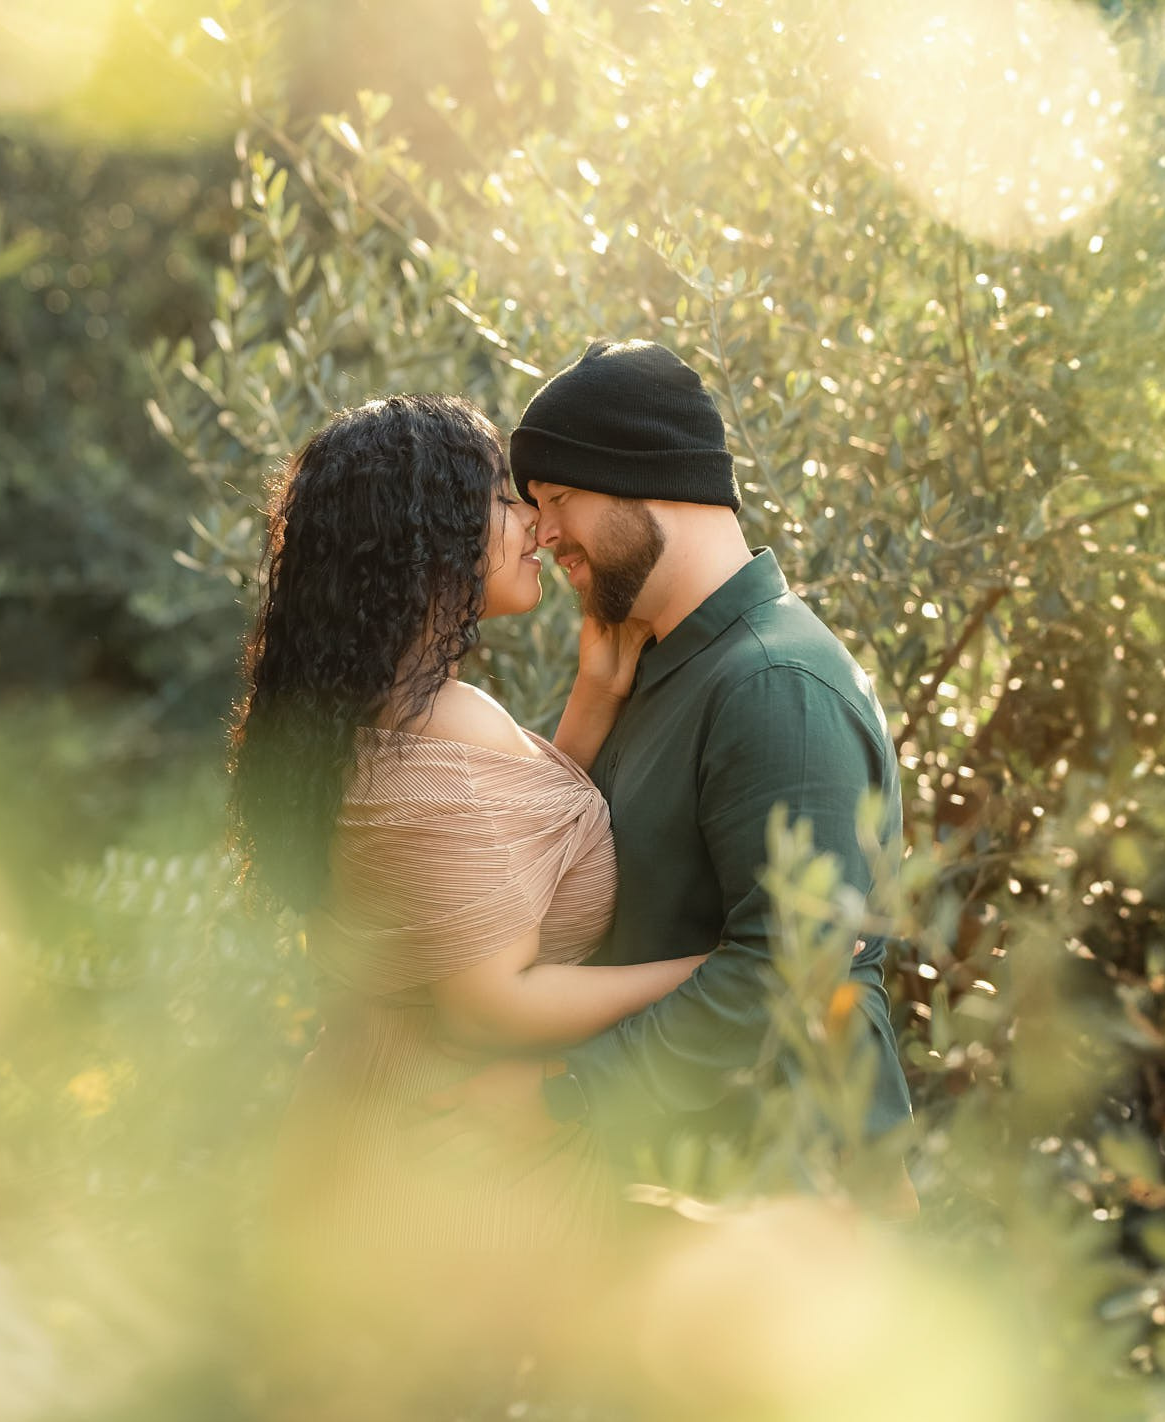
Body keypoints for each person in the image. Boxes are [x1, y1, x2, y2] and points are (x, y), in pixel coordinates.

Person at [229, 393, 706, 1409]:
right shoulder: (426, 731)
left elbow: (490, 872)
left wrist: (587, 706)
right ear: (425, 534)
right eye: (502, 498)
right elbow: (491, 999)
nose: (535, 524)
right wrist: (722, 966)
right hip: (435, 1191)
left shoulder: (381, 712)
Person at [444, 337, 914, 1188]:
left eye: (556, 496)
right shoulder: (660, 666)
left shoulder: (776, 684)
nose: (542, 534)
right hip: (677, 1194)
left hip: (785, 1209)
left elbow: (789, 974)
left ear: (642, 475)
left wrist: (564, 1093)